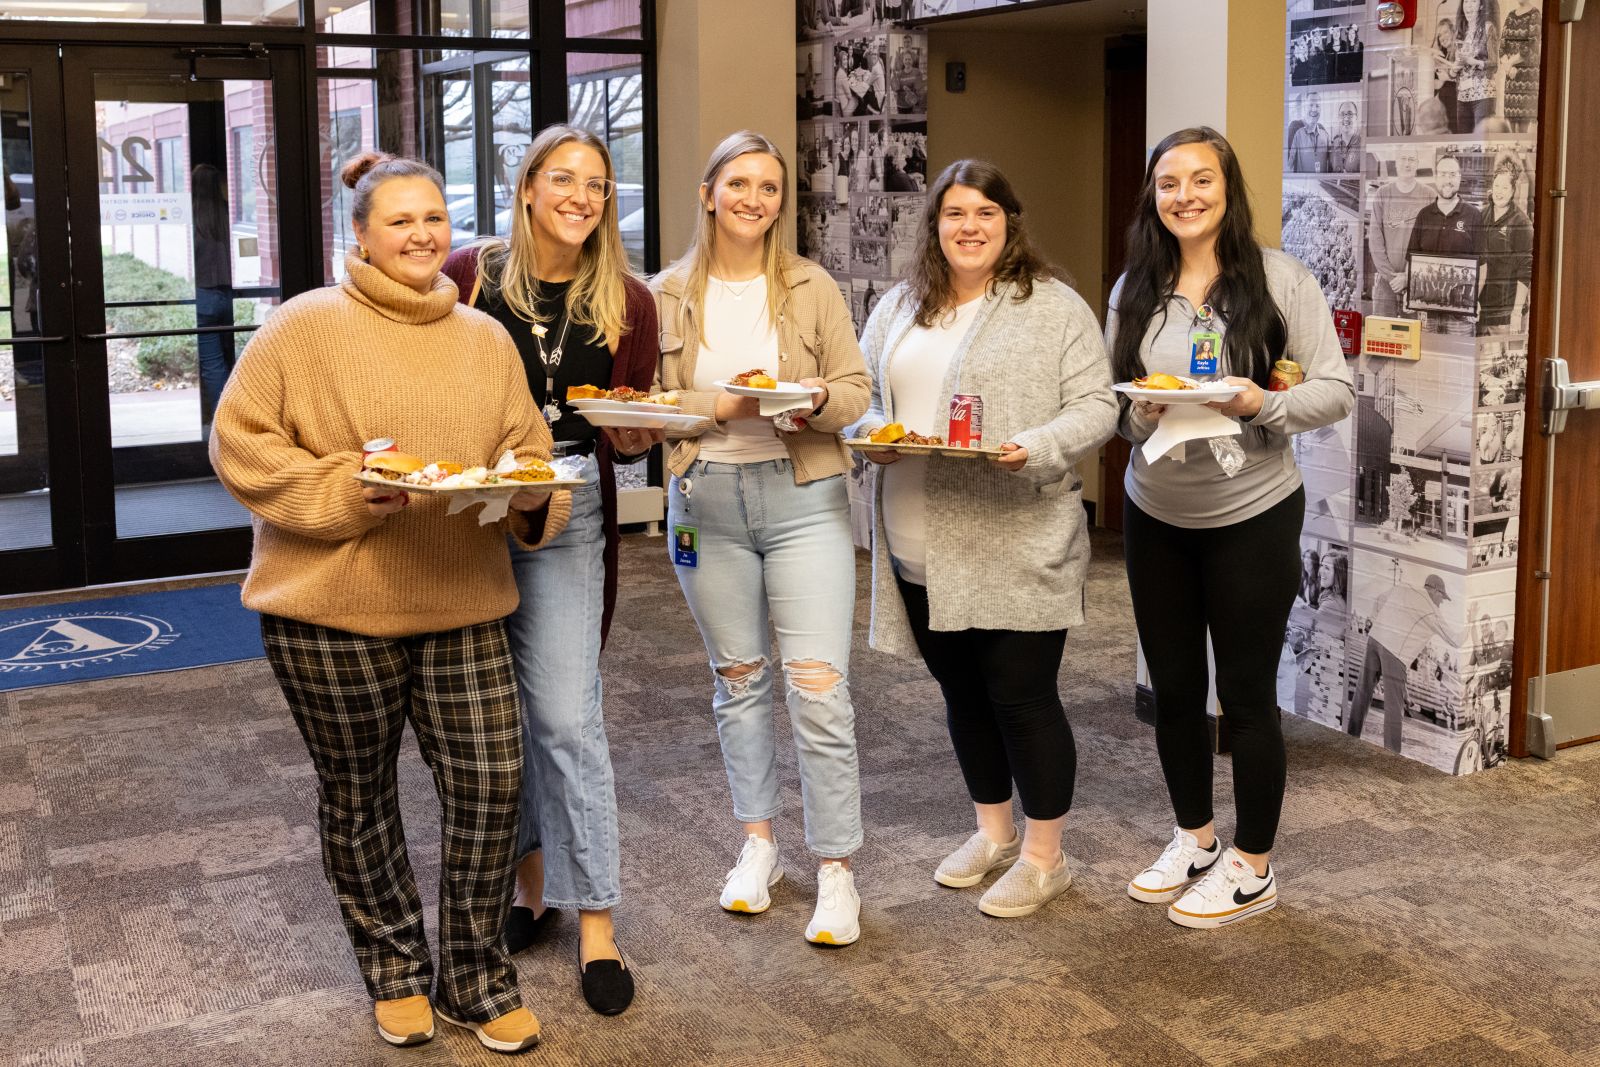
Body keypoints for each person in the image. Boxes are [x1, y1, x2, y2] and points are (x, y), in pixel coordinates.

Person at [209, 152, 563, 1054]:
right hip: (328, 609)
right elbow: (239, 448)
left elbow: (530, 457)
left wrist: (529, 497)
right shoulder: (300, 328)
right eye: (400, 220)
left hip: (463, 601)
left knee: (491, 784)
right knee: (359, 796)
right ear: (359, 235)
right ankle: (396, 969)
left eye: (434, 218)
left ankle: (476, 974)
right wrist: (340, 490)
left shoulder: (485, 338)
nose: (422, 235)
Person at [852, 159, 1116, 919]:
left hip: (1016, 536)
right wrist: (875, 433)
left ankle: (1045, 856)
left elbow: (1097, 406)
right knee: (962, 693)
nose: (970, 227)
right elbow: (862, 398)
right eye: (955, 213)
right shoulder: (903, 304)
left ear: (1010, 224)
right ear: (934, 225)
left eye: (986, 214)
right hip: (913, 536)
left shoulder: (1052, 306)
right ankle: (994, 831)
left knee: (1023, 698)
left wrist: (1037, 442)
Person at [1108, 128, 1354, 929]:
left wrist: (1261, 404)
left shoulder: (1280, 278)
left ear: (1228, 188)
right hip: (1156, 515)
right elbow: (1120, 414)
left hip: (1250, 512)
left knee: (1245, 693)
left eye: (1201, 180)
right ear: (1154, 195)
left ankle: (1253, 865)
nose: (1185, 195)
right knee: (1174, 690)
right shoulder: (1135, 289)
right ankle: (1194, 837)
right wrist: (1139, 414)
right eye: (1169, 182)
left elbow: (1335, 391)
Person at [441, 124, 659, 1017]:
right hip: (469, 512)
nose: (580, 195)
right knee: (496, 718)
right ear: (527, 186)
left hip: (568, 508)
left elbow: (633, 426)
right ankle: (530, 889)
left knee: (568, 716)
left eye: (597, 184)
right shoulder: (467, 274)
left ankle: (596, 916)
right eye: (562, 178)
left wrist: (643, 433)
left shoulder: (628, 299)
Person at [652, 130, 871, 945]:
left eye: (769, 187)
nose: (754, 198)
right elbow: (651, 403)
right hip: (703, 502)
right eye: (738, 183)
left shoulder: (812, 287)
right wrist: (715, 410)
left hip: (803, 496)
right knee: (738, 679)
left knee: (817, 685)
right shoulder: (665, 292)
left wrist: (813, 396)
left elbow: (855, 389)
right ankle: (759, 847)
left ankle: (837, 869)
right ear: (709, 192)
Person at [1347, 574, 1463, 753]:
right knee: (1394, 707)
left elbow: (1378, 600)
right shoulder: (1431, 609)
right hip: (1395, 651)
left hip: (1375, 639)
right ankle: (1392, 757)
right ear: (1434, 590)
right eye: (1442, 597)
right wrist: (1473, 624)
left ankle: (1349, 739)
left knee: (1362, 692)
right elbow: (1456, 640)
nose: (1442, 602)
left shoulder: (1404, 586)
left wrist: (1381, 623)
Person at [1368, 146, 1434, 317]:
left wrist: (1408, 276)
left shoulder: (1429, 196)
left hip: (1417, 282)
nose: (1407, 164)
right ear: (1396, 163)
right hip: (1385, 282)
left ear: (1417, 163)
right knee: (1382, 337)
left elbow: (1431, 244)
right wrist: (1391, 277)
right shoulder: (1383, 194)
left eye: (1411, 159)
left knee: (1413, 338)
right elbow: (1375, 241)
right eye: (1403, 159)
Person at [1475, 161, 1533, 336]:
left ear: (1513, 190)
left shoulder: (1521, 223)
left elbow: (1525, 271)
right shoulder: (1481, 215)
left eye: (1505, 188)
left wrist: (1516, 312)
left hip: (1505, 314)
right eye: (1497, 185)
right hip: (1480, 309)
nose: (1499, 192)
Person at [1455, 0, 1502, 133]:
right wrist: (1454, 68)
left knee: (1480, 143)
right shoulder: (1462, 30)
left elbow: (1494, 64)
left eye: (1473, 1)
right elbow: (1457, 65)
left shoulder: (1488, 27)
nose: (1468, 6)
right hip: (1462, 96)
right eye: (1466, 2)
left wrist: (1473, 62)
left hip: (1483, 94)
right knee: (1463, 145)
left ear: (1481, 5)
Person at [1501, 0, 1540, 132]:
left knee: (1523, 129)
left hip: (1526, 81)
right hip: (1511, 80)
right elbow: (1502, 47)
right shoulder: (1511, 15)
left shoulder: (1534, 14)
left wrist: (1511, 62)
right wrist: (1507, 66)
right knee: (1510, 129)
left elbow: (1531, 47)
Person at [1430, 13, 1462, 132]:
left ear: (1453, 32)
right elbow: (1437, 84)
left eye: (1445, 32)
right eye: (1439, 35)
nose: (1442, 37)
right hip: (1446, 106)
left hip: (1458, 105)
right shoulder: (1442, 55)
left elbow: (1464, 76)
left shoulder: (1459, 50)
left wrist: (1446, 78)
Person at [1286, 93, 1330, 174]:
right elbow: (1288, 163)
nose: (1314, 109)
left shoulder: (1322, 129)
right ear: (1304, 107)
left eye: (1317, 106)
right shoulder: (1295, 127)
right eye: (1310, 105)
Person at [1327, 101, 1362, 174]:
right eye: (1342, 114)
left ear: (1356, 118)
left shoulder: (1362, 144)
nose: (1346, 118)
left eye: (1350, 114)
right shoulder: (1333, 146)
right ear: (1338, 118)